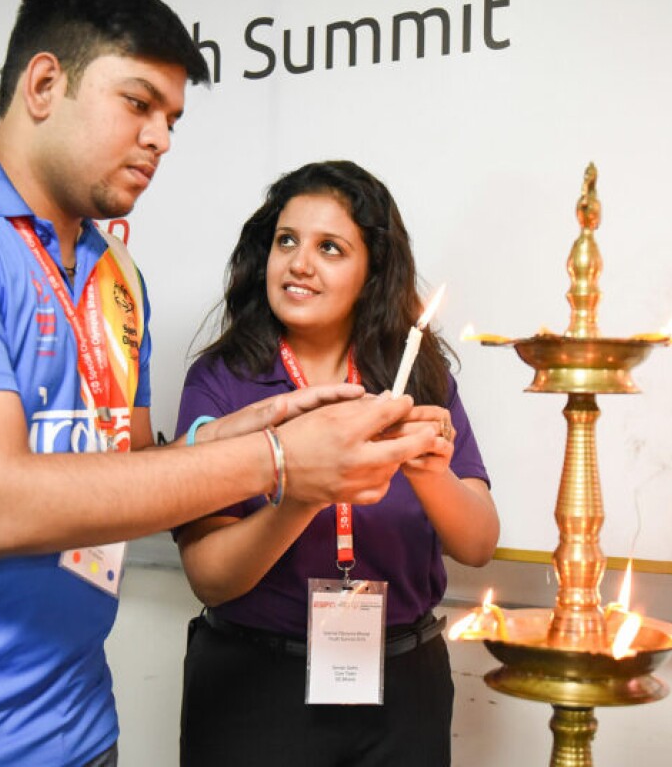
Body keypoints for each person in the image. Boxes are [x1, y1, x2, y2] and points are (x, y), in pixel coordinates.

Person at [0, 0, 439, 767]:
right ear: (45, 83)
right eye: (138, 103)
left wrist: (227, 436)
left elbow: (125, 472)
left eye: (173, 118)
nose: (161, 138)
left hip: (81, 723)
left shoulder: (118, 273)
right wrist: (280, 461)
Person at [174, 160, 500, 767]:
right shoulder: (222, 383)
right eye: (286, 241)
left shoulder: (420, 376)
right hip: (256, 685)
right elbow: (211, 578)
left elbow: (478, 543)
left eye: (330, 248)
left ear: (372, 272)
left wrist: (427, 470)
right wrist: (305, 488)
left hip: (404, 684)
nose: (300, 263)